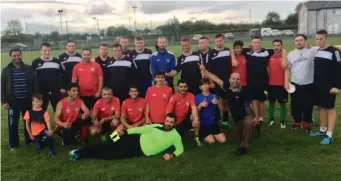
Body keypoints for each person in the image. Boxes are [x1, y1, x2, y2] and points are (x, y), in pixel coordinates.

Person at [69, 113, 183, 161]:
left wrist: (172, 155)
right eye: (167, 121)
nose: (168, 123)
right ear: (165, 120)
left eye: (171, 122)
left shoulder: (175, 136)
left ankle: (82, 156)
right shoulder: (157, 125)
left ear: (174, 123)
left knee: (109, 155)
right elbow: (140, 129)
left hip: (139, 150)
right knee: (107, 143)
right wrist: (126, 132)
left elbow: (180, 149)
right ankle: (78, 151)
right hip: (133, 138)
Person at [200, 65, 258, 156]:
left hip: (247, 115)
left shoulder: (245, 90)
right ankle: (255, 130)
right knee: (236, 136)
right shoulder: (227, 88)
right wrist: (205, 70)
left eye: (237, 79)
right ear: (230, 80)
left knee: (247, 125)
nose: (235, 81)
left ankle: (243, 147)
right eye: (233, 78)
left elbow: (254, 102)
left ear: (240, 81)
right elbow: (215, 78)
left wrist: (256, 116)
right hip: (237, 119)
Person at [231, 36, 287, 124]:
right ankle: (254, 116)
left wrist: (284, 58)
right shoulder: (247, 51)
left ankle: (260, 118)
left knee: (261, 100)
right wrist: (234, 58)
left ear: (261, 43)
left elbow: (282, 50)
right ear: (252, 43)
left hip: (263, 81)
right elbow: (232, 49)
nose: (256, 44)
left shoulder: (267, 51)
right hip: (250, 81)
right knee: (252, 101)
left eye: (258, 42)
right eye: (254, 42)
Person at [1, 49, 38, 150]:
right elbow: (2, 87)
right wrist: (4, 101)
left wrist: (35, 99)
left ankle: (29, 140)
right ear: (10, 57)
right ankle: (14, 144)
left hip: (27, 100)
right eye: (14, 56)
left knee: (28, 122)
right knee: (13, 123)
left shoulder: (28, 68)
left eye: (18, 55)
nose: (16, 57)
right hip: (13, 102)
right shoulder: (6, 70)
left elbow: (35, 84)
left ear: (21, 55)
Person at [310, 30, 341, 144]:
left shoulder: (334, 52)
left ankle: (329, 134)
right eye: (316, 39)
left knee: (330, 108)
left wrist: (337, 86)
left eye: (321, 39)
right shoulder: (318, 50)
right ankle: (322, 130)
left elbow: (339, 70)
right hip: (318, 85)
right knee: (321, 107)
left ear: (326, 38)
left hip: (330, 86)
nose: (318, 41)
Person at [285, 34, 317, 132]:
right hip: (295, 84)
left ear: (305, 41)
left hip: (309, 84)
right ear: (294, 42)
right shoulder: (291, 54)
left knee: (308, 105)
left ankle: (307, 124)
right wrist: (286, 82)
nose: (299, 42)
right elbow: (287, 69)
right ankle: (297, 122)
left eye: (301, 40)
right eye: (297, 40)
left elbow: (326, 48)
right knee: (295, 105)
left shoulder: (312, 51)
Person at [206, 34, 235, 128]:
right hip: (215, 82)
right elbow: (208, 70)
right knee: (215, 102)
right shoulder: (210, 53)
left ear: (223, 41)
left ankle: (225, 120)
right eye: (217, 41)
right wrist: (210, 82)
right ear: (215, 42)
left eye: (220, 41)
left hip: (227, 82)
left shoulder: (228, 51)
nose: (219, 42)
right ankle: (216, 120)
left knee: (226, 101)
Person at [166, 79, 202, 147]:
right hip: (177, 122)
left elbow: (194, 108)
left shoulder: (191, 95)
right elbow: (168, 113)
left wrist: (196, 119)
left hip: (186, 118)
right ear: (177, 87)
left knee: (197, 118)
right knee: (179, 140)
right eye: (181, 87)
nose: (183, 89)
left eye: (185, 86)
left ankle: (196, 137)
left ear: (187, 87)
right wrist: (171, 124)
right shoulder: (173, 98)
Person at [31, 42, 62, 111]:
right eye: (44, 50)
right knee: (41, 110)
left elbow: (61, 75)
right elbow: (32, 78)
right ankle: (41, 122)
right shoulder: (35, 62)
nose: (47, 52)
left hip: (55, 91)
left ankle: (59, 122)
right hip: (41, 91)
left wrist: (61, 87)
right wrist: (35, 91)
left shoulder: (57, 61)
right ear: (40, 51)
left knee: (58, 110)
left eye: (48, 50)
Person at [195, 79, 226, 144]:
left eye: (206, 84)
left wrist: (218, 102)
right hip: (203, 124)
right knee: (212, 141)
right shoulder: (197, 97)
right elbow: (195, 112)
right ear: (200, 87)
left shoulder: (214, 96)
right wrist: (200, 105)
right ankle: (201, 136)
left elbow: (222, 109)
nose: (205, 86)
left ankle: (213, 134)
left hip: (213, 123)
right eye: (203, 85)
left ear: (209, 85)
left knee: (223, 140)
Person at [267, 40, 288, 128]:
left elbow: (287, 69)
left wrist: (286, 83)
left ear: (281, 46)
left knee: (283, 103)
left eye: (278, 45)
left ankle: (282, 121)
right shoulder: (269, 57)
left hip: (282, 85)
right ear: (272, 47)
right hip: (271, 84)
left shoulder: (285, 57)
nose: (276, 47)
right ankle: (271, 119)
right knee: (271, 103)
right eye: (274, 45)